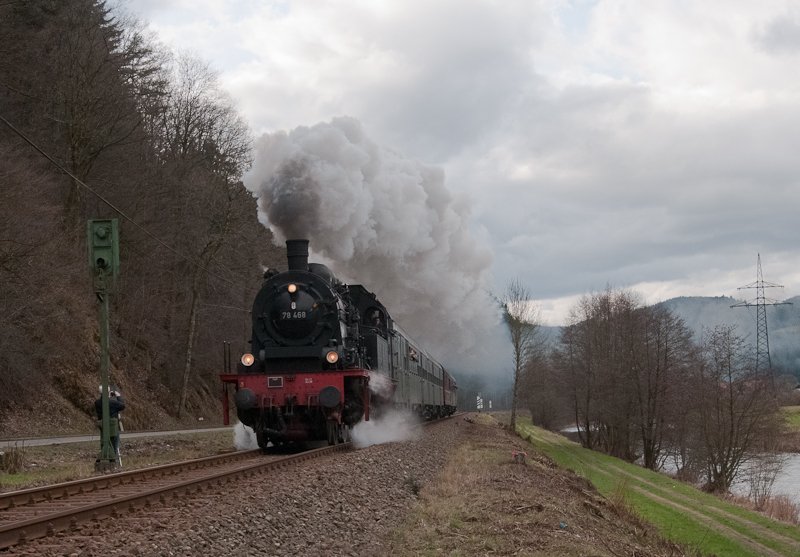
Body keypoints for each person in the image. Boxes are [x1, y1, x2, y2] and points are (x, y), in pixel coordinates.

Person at [95, 387, 125, 463]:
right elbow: (122, 406)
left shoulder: (97, 402)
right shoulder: (112, 403)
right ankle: (114, 459)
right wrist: (118, 396)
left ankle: (105, 457)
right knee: (114, 442)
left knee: (104, 441)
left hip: (103, 427)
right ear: (108, 392)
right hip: (112, 426)